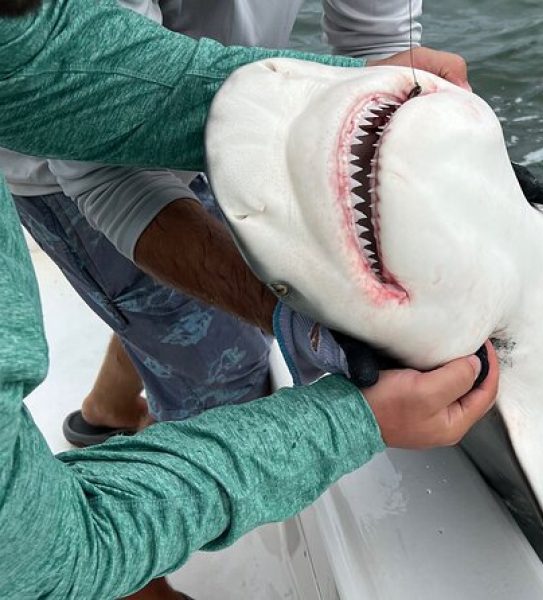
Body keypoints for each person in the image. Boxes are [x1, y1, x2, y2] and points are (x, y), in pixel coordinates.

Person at [0, 1, 498, 598]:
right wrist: (352, 416)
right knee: (226, 379)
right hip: (65, 178)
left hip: (194, 91)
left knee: (177, 316)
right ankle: (140, 590)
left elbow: (51, 58)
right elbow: (47, 560)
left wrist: (376, 105)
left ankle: (106, 411)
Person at [0, 0, 459, 447]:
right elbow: (104, 171)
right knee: (230, 387)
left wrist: (409, 120)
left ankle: (107, 408)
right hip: (63, 163)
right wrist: (295, 324)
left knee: (183, 305)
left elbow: (382, 44)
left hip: (244, 110)